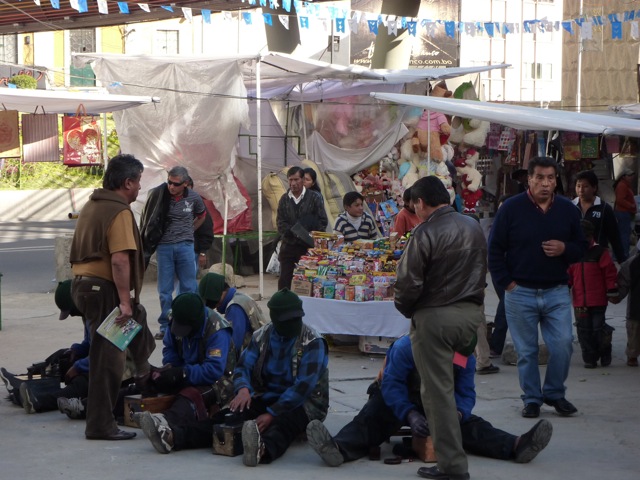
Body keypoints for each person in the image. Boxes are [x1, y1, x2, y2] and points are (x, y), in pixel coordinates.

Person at [136, 288, 329, 464]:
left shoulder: (313, 341)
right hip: (267, 395)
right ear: (275, 318)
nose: (292, 324)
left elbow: (302, 388)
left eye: (296, 318)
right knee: (225, 418)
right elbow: (243, 367)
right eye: (286, 320)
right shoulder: (262, 336)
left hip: (305, 403)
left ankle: (262, 450)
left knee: (284, 424)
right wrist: (243, 388)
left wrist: (271, 414)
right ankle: (173, 437)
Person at [306, 336, 552, 468]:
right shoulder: (407, 347)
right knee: (373, 417)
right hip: (398, 397)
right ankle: (337, 448)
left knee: (470, 426)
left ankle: (516, 445)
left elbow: (466, 393)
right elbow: (391, 386)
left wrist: (458, 413)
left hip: (438, 399)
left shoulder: (464, 357)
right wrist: (410, 414)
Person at [394, 176, 487, 480]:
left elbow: (408, 285)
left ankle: (452, 467)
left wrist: (412, 313)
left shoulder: (424, 232)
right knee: (459, 368)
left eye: (415, 205)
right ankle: (460, 450)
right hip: (471, 318)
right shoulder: (473, 225)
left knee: (438, 394)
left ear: (420, 203)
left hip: (436, 321)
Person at [488, 156, 587, 420]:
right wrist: (507, 284)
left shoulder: (567, 210)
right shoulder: (511, 208)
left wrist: (565, 248)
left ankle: (554, 393)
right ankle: (531, 399)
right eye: (540, 178)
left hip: (556, 291)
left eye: (551, 178)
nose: (545, 183)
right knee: (527, 352)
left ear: (556, 181)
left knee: (563, 344)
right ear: (529, 179)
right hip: (520, 293)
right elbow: (494, 249)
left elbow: (581, 248)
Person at [69, 153, 156, 441]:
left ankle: (144, 368)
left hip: (84, 287)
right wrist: (123, 300)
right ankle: (100, 426)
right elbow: (120, 260)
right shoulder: (118, 211)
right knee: (109, 361)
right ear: (127, 182)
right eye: (139, 182)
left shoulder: (94, 204)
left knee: (137, 317)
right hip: (102, 289)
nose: (140, 189)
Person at [138, 292, 237, 453]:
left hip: (220, 381)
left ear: (196, 323)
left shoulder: (218, 330)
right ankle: (108, 408)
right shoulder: (175, 319)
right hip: (187, 370)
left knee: (190, 396)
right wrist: (170, 370)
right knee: (151, 382)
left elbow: (213, 370)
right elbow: (170, 348)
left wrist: (182, 373)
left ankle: (164, 420)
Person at [1, 280, 90, 413]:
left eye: (71, 311)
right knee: (62, 357)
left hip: (115, 368)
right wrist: (76, 350)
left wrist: (78, 367)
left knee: (81, 385)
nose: (71, 315)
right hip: (97, 359)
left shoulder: (106, 315)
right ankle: (23, 380)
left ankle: (36, 401)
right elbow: (90, 343)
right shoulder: (88, 314)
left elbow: (106, 353)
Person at [140, 166, 207, 339]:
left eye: (176, 184)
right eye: (169, 182)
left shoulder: (194, 198)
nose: (171, 187)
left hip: (185, 246)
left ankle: (189, 322)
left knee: (189, 287)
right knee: (165, 289)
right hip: (164, 247)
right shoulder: (160, 194)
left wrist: (190, 231)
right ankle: (165, 325)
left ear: (185, 184)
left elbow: (202, 216)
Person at [567, 220, 618, 368]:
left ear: (591, 236)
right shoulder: (573, 252)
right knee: (583, 330)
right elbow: (568, 273)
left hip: (598, 299)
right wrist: (565, 286)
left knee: (598, 328)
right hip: (580, 301)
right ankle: (589, 358)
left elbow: (609, 273)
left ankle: (604, 351)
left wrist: (612, 291)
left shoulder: (600, 252)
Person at [276, 166, 328, 290]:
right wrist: (293, 232)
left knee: (308, 283)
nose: (293, 183)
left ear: (303, 179)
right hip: (289, 247)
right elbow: (280, 222)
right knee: (285, 281)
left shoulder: (314, 198)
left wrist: (309, 233)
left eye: (296, 180)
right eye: (290, 180)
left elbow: (322, 221)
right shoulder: (284, 199)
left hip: (308, 248)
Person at [199, 272, 267, 354]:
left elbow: (232, 348)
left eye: (211, 303)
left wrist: (211, 353)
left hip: (252, 360)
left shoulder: (235, 308)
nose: (214, 308)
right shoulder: (239, 297)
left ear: (220, 295)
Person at [573, 169, 626, 262]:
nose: (581, 190)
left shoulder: (605, 208)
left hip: (598, 258)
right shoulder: (570, 207)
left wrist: (622, 260)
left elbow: (614, 237)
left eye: (585, 186)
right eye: (578, 186)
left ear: (594, 188)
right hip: (576, 258)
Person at [488, 195, 511, 358]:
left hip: (515, 273)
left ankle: (496, 344)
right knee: (506, 305)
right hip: (499, 272)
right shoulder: (496, 226)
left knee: (506, 306)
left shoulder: (517, 225)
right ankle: (494, 345)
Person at [615, 240, 640, 367]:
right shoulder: (632, 263)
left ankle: (632, 355)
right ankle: (632, 355)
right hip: (636, 306)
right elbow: (623, 281)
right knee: (634, 331)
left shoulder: (631, 262)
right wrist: (617, 296)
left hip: (635, 307)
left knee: (634, 330)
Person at [186, 176, 214, 275]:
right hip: (174, 248)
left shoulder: (197, 203)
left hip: (192, 249)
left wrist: (202, 252)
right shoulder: (172, 203)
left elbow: (206, 228)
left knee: (188, 280)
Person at [613, 168, 637, 260]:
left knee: (623, 234)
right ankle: (623, 255)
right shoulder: (622, 185)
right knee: (624, 235)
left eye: (632, 175)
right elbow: (620, 200)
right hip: (623, 213)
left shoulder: (625, 185)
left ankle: (620, 255)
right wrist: (630, 205)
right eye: (629, 175)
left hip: (624, 213)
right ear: (624, 176)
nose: (631, 177)